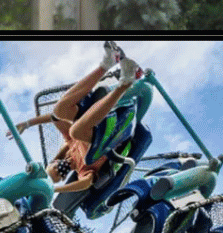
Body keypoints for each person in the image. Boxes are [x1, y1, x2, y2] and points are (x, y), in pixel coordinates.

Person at [17, 44, 146, 194]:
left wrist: (28, 123)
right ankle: (125, 84)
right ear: (64, 177)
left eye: (57, 167)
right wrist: (56, 189)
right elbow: (85, 183)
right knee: (75, 131)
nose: (62, 168)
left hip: (94, 120)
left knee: (60, 111)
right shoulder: (83, 170)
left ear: (56, 161)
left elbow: (54, 118)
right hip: (111, 134)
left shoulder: (69, 145)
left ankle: (107, 63)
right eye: (61, 173)